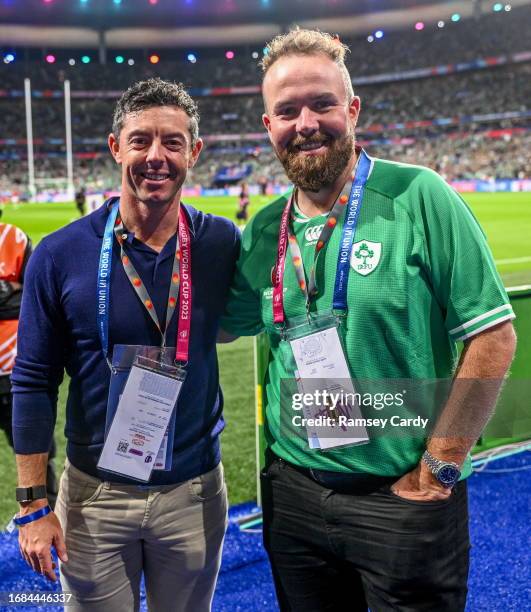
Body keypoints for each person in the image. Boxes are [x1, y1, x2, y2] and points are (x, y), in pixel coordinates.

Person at [220, 30, 517, 611]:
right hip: (295, 499)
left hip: (402, 499)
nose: (305, 122)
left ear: (352, 109)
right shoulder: (262, 230)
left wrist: (440, 468)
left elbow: (493, 336)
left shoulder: (419, 194)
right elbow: (219, 325)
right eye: (287, 111)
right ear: (268, 126)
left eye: (322, 104)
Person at [12, 78, 240, 611]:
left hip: (194, 492)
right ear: (116, 147)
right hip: (94, 498)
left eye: (172, 142)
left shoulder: (221, 243)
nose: (155, 156)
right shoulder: (59, 254)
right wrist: (32, 504)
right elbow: (33, 381)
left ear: (195, 152)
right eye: (140, 141)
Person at [0, 214, 58, 508]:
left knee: (36, 448)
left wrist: (11, 300)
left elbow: (37, 300)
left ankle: (46, 508)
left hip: (14, 368)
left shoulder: (15, 239)